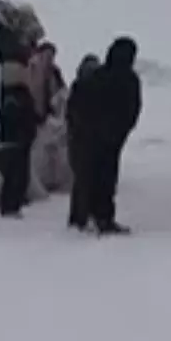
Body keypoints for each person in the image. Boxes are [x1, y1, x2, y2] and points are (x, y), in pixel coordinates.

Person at [69, 37, 141, 234]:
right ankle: (102, 219)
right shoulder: (130, 80)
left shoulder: (95, 77)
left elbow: (76, 105)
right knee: (106, 180)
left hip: (87, 137)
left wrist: (79, 128)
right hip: (110, 140)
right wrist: (120, 133)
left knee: (84, 177)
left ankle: (80, 218)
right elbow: (132, 111)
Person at [0, 2, 42, 217]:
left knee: (18, 152)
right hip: (15, 100)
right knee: (16, 153)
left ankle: (15, 198)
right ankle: (11, 201)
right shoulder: (8, 46)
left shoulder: (8, 45)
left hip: (15, 99)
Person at [65, 53, 101, 230]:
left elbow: (70, 115)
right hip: (87, 139)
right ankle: (84, 215)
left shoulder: (76, 88)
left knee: (80, 180)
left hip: (76, 138)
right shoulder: (95, 89)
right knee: (88, 179)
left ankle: (77, 216)